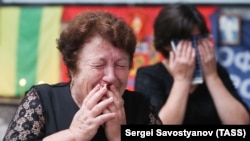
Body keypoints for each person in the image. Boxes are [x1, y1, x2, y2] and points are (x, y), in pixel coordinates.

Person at [3, 11, 162, 141]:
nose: (111, 77)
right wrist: (73, 135)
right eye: (99, 65)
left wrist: (119, 137)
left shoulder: (141, 107)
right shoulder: (42, 100)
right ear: (72, 67)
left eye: (121, 65)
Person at [134, 4, 250, 124]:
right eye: (187, 41)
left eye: (200, 39)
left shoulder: (215, 70)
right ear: (167, 45)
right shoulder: (149, 76)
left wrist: (212, 77)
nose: (195, 47)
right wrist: (181, 80)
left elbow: (241, 123)